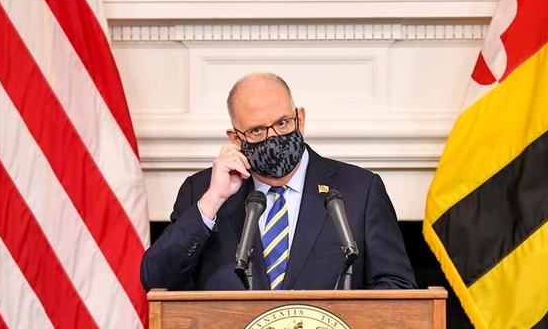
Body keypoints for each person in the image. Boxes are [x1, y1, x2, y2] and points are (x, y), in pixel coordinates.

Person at [140, 72, 416, 290]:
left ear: (301, 119)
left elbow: (398, 288)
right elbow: (156, 281)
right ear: (236, 138)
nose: (274, 137)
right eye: (258, 130)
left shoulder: (360, 191)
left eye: (283, 123)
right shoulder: (202, 192)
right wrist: (212, 201)